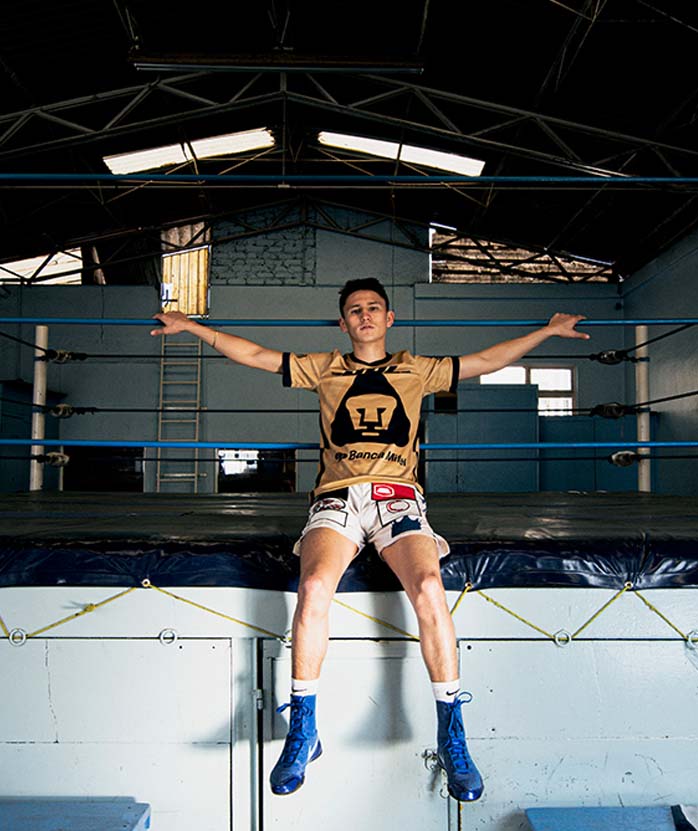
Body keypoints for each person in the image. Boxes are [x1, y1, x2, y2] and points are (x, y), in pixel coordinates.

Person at [152, 278, 589, 802]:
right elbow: (255, 354)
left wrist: (547, 332)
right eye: (355, 309)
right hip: (337, 499)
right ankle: (304, 729)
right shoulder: (324, 367)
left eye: (374, 308)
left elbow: (486, 360)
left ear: (389, 318)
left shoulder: (416, 369)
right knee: (314, 586)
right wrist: (191, 327)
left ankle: (452, 733)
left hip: (397, 499)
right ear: (343, 323)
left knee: (429, 587)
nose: (365, 315)